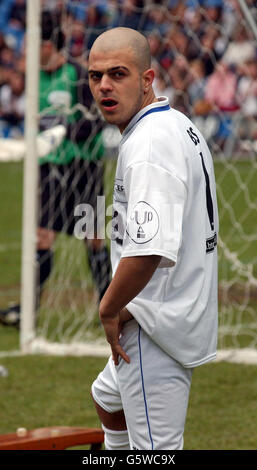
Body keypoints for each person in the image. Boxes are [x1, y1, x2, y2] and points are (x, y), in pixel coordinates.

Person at [88, 27, 219, 450]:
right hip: (171, 308)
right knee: (107, 397)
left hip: (153, 325)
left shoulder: (147, 145)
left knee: (157, 454)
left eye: (118, 73)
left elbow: (148, 251)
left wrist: (110, 307)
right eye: (95, 76)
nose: (104, 85)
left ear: (147, 80)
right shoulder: (175, 122)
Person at [0, 11, 111, 327]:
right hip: (50, 168)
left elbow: (95, 121)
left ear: (48, 45)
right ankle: (28, 312)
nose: (28, 53)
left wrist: (63, 133)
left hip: (84, 167)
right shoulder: (34, 80)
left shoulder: (77, 75)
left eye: (34, 46)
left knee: (94, 237)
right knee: (42, 236)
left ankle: (110, 305)